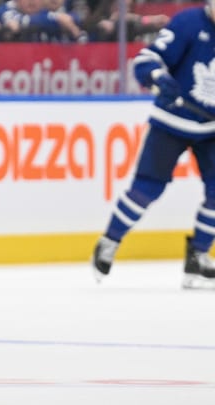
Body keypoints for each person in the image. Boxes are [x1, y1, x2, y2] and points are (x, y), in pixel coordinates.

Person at [91, 2, 215, 289]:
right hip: (171, 121)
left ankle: (198, 256)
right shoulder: (188, 22)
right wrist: (158, 77)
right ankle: (110, 240)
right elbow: (147, 59)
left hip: (210, 129)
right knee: (147, 188)